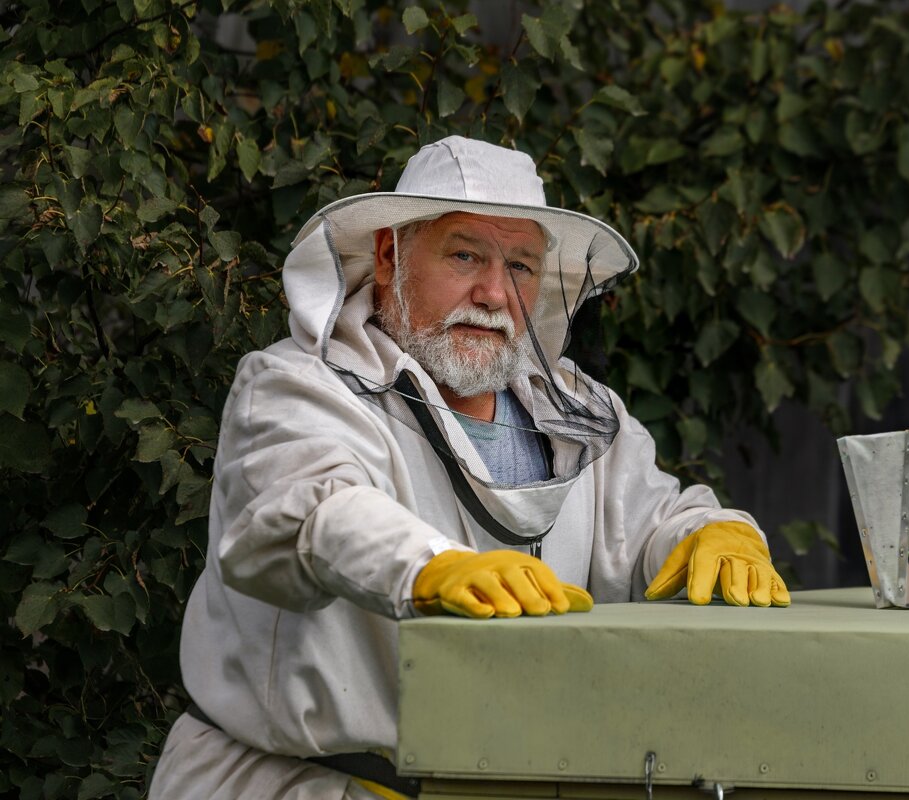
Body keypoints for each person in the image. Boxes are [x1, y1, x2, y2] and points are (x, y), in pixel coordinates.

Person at [148, 135, 789, 800]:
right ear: (391, 254)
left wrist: (712, 533)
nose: (493, 292)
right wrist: (431, 567)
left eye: (520, 266)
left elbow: (652, 519)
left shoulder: (576, 411)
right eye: (465, 254)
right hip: (303, 786)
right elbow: (314, 514)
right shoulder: (298, 387)